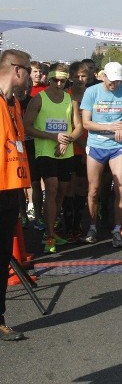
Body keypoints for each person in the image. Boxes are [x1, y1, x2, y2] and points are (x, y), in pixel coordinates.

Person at [23, 63, 83, 253]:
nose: (58, 84)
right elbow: (27, 126)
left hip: (65, 151)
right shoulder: (38, 99)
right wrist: (52, 137)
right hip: (45, 151)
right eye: (55, 80)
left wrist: (68, 140)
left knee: (62, 190)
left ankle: (52, 226)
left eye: (62, 80)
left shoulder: (70, 99)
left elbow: (78, 127)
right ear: (49, 79)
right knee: (51, 186)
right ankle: (48, 233)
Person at [80, 62, 122, 247]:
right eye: (111, 81)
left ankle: (116, 229)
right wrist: (109, 127)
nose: (115, 85)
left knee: (121, 188)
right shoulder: (92, 92)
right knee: (94, 189)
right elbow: (86, 123)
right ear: (103, 76)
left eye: (118, 81)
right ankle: (92, 227)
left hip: (117, 146)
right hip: (96, 145)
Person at [0, 50, 33, 341]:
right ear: (17, 70)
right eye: (29, 71)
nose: (31, 78)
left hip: (10, 188)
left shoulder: (14, 103)